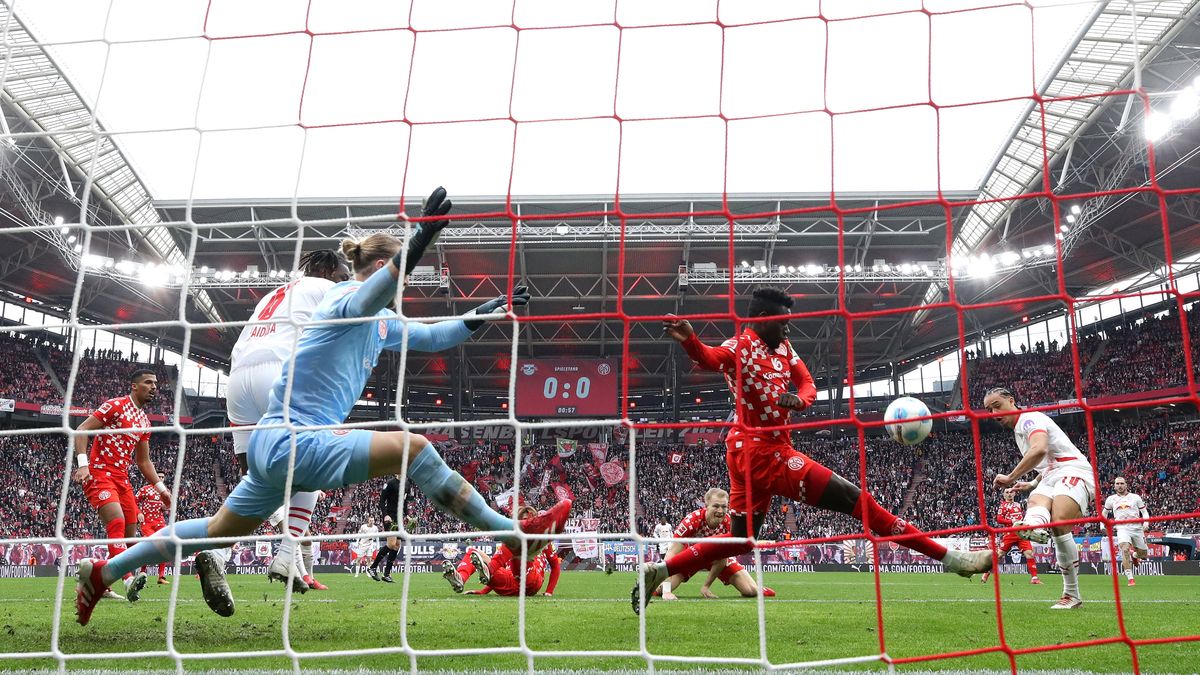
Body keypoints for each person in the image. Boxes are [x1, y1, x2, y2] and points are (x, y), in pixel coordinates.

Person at [74, 187, 572, 625]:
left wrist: (480, 314)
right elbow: (372, 295)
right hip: (295, 439)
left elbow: (432, 336)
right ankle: (511, 535)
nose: (402, 286)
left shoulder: (380, 323)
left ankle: (104, 571)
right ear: (380, 267)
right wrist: (419, 241)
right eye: (397, 271)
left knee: (217, 533)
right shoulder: (344, 299)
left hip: (276, 444)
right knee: (414, 448)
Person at [633, 287, 991, 614]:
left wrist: (800, 401)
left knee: (741, 540)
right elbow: (711, 358)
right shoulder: (740, 346)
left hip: (748, 449)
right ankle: (950, 558)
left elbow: (807, 383)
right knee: (856, 500)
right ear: (762, 321)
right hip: (761, 451)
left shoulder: (784, 349)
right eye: (783, 324)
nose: (789, 331)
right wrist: (690, 341)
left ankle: (660, 570)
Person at [200, 249, 351, 594]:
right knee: (316, 461)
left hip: (238, 379)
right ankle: (285, 555)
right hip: (279, 372)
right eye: (343, 274)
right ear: (328, 269)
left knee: (251, 477)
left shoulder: (274, 293)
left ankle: (219, 552)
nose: (347, 280)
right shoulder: (325, 287)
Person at [984, 387, 1095, 610]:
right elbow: (1046, 462)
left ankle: (1071, 594)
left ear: (1012, 401)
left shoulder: (1028, 420)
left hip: (1073, 470)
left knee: (1060, 519)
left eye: (997, 406)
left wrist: (1011, 477)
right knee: (1036, 501)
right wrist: (1032, 483)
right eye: (989, 410)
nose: (994, 413)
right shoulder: (1019, 430)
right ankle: (1034, 527)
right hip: (1051, 475)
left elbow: (1040, 450)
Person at [71, 369, 172, 603]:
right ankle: (128, 580)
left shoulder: (145, 422)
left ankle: (97, 581)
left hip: (122, 478)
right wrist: (83, 465)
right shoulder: (115, 406)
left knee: (129, 537)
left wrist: (161, 489)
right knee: (115, 521)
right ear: (134, 386)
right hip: (99, 472)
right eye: (148, 382)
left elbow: (143, 461)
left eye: (155, 383)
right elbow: (82, 429)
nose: (154, 386)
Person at [657, 488, 775, 600]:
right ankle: (652, 585)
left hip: (717, 559)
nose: (720, 511)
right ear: (706, 506)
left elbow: (726, 555)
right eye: (716, 506)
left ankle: (758, 588)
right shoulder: (691, 521)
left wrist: (706, 586)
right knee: (662, 589)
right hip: (692, 557)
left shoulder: (730, 523)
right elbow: (671, 554)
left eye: (724, 507)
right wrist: (667, 591)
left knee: (751, 591)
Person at [443, 507, 561, 597]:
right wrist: (483, 592)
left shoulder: (542, 539)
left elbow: (555, 566)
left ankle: (489, 568)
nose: (524, 522)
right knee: (473, 552)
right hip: (510, 583)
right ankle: (460, 578)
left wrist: (549, 591)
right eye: (521, 520)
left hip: (532, 580)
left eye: (527, 519)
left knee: (514, 543)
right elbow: (498, 566)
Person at [981, 487, 1041, 585]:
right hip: (1010, 534)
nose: (1009, 494)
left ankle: (1034, 578)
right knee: (999, 555)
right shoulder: (1003, 506)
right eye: (1007, 492)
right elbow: (999, 519)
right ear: (1004, 495)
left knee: (1029, 553)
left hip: (1021, 533)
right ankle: (986, 572)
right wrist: (1011, 521)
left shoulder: (1018, 505)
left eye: (1011, 492)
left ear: (1014, 494)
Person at [1102, 477, 1150, 587]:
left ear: (1126, 485)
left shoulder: (1135, 497)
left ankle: (1135, 555)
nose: (1119, 485)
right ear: (1114, 486)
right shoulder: (1111, 499)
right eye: (1117, 484)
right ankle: (1130, 578)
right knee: (1124, 549)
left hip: (1137, 528)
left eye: (1122, 483)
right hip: (1122, 528)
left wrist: (1146, 523)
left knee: (1143, 554)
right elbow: (1104, 513)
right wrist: (1101, 525)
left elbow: (1144, 512)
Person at [134, 483, 170, 585]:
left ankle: (161, 576)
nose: (161, 479)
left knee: (163, 546)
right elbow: (133, 501)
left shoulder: (165, 491)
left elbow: (169, 505)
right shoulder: (145, 489)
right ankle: (142, 573)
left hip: (160, 522)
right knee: (151, 545)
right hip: (147, 523)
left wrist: (166, 506)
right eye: (159, 476)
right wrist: (138, 513)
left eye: (162, 477)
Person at [367, 474, 401, 582]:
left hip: (400, 518)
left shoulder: (407, 484)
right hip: (390, 517)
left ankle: (387, 574)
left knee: (397, 545)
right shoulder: (390, 483)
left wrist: (408, 515)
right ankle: (372, 567)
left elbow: (405, 502)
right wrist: (385, 514)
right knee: (391, 544)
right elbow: (382, 500)